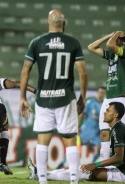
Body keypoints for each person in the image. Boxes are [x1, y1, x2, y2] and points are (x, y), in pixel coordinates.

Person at [20, 9, 88, 184]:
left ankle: (42, 180)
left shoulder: (37, 43)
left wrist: (22, 98)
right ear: (63, 24)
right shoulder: (73, 43)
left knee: (43, 140)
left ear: (47, 23)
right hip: (65, 97)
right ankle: (74, 181)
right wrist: (83, 97)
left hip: (44, 98)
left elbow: (25, 70)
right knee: (70, 140)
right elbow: (83, 73)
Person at [27, 102, 125, 182]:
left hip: (123, 174)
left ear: (115, 115)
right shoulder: (118, 128)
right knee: (79, 169)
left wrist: (95, 164)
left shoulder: (118, 129)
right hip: (121, 170)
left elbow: (119, 157)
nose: (104, 112)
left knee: (83, 172)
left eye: (108, 110)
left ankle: (41, 175)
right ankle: (43, 174)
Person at [88, 31, 125, 161]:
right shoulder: (111, 56)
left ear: (122, 42)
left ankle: (120, 164)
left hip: (121, 98)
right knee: (104, 133)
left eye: (118, 39)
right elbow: (91, 47)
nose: (114, 40)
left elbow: (109, 45)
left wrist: (117, 33)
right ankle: (104, 162)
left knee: (118, 135)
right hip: (109, 98)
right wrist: (108, 35)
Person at [79, 86, 106, 163]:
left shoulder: (105, 105)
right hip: (86, 129)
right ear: (97, 93)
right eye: (100, 92)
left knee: (99, 149)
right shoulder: (90, 102)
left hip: (97, 131)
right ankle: (62, 163)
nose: (102, 94)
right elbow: (82, 113)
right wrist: (78, 126)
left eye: (103, 93)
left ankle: (90, 165)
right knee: (74, 146)